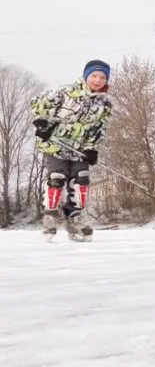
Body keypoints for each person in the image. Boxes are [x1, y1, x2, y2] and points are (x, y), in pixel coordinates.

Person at [30, 60, 113, 242]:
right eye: (94, 76)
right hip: (56, 144)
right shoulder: (67, 92)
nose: (98, 80)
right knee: (57, 177)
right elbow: (39, 103)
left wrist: (92, 148)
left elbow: (99, 129)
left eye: (102, 77)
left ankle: (74, 217)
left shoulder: (104, 104)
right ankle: (50, 216)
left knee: (81, 180)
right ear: (86, 76)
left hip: (79, 149)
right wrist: (43, 121)